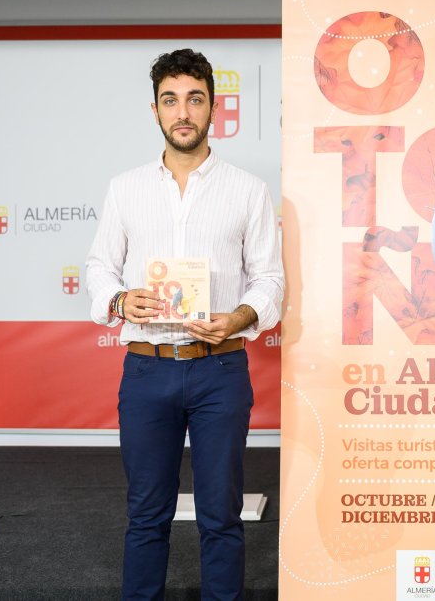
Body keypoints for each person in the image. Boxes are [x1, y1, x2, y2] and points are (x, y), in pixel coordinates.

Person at [85, 48, 284, 601]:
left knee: (221, 512)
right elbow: (98, 267)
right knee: (146, 511)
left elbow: (270, 281)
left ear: (213, 108)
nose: (183, 112)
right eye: (171, 100)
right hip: (147, 371)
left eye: (195, 99)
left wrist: (239, 318)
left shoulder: (248, 190)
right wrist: (122, 300)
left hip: (220, 369)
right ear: (155, 111)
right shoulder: (126, 188)